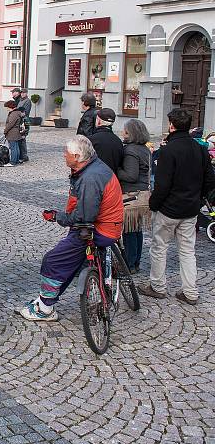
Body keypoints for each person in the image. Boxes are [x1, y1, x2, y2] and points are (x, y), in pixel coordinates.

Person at [19, 136, 123, 321]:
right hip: (105, 225)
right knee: (68, 261)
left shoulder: (90, 178)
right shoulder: (94, 166)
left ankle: (45, 310)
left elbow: (84, 216)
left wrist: (57, 217)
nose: (63, 155)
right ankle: (47, 300)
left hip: (97, 230)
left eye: (66, 153)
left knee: (53, 261)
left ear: (77, 156)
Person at [139, 109, 215, 305]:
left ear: (171, 125)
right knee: (188, 251)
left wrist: (154, 204)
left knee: (159, 247)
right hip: (190, 209)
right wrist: (200, 199)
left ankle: (157, 286)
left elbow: (162, 185)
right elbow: (210, 178)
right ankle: (190, 292)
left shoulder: (168, 151)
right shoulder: (199, 149)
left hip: (168, 209)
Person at [116, 119, 152, 274]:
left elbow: (131, 176)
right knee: (137, 231)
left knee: (130, 231)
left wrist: (116, 169)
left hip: (132, 196)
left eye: (124, 130)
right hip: (143, 195)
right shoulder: (143, 148)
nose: (122, 132)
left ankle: (129, 264)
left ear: (130, 133)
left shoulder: (130, 150)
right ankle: (135, 262)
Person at [89, 108, 124, 173]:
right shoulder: (118, 141)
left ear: (98, 121)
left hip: (95, 178)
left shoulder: (91, 139)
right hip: (112, 179)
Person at [3, 100, 24, 167]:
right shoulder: (18, 112)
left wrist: (5, 131)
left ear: (10, 106)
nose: (7, 109)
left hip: (12, 133)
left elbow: (10, 124)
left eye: (7, 107)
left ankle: (13, 162)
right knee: (16, 147)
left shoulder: (13, 114)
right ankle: (16, 160)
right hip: (16, 132)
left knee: (13, 147)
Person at [14, 88, 32, 163]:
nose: (22, 94)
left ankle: (24, 156)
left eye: (24, 93)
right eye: (21, 93)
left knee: (22, 139)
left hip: (25, 121)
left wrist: (18, 114)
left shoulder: (27, 101)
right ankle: (21, 155)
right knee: (20, 139)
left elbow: (26, 112)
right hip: (20, 120)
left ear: (26, 93)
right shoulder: (20, 100)